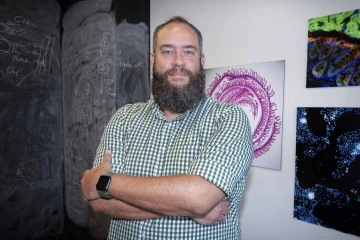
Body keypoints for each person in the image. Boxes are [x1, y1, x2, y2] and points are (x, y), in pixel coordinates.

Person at [81, 16, 254, 240]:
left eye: (188, 52)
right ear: (153, 59)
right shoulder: (123, 119)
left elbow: (198, 198)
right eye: (168, 51)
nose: (179, 62)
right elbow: (98, 202)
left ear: (201, 61)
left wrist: (105, 181)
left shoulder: (229, 118)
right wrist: (186, 209)